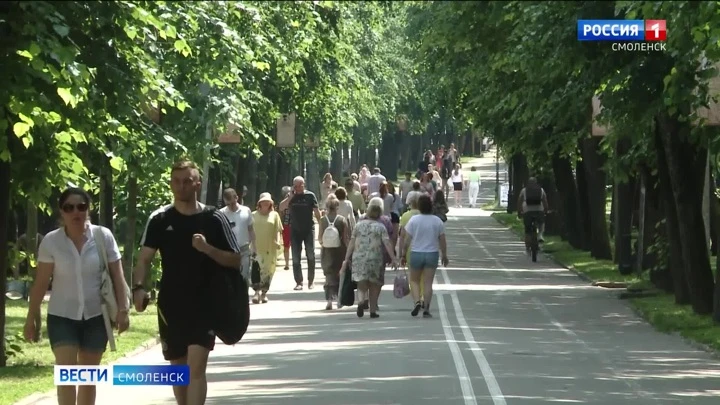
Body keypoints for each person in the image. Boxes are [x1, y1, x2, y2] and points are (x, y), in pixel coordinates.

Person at [132, 160, 243, 405]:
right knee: (178, 370)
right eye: (176, 181)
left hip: (206, 303)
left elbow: (236, 260)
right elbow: (144, 259)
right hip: (171, 305)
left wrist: (207, 249)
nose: (181, 186)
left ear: (197, 183)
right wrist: (139, 287)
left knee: (196, 367)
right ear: (171, 184)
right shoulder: (160, 219)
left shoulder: (214, 218)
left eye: (187, 181)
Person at [24, 187, 129, 405]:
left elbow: (118, 277)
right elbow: (41, 283)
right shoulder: (52, 242)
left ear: (88, 209)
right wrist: (31, 318)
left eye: (81, 207)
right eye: (69, 207)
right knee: (67, 376)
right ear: (61, 212)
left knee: (88, 379)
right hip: (62, 316)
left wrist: (123, 310)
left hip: (95, 317)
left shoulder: (103, 236)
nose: (76, 212)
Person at [341, 202, 399, 318]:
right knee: (375, 284)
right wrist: (393, 258)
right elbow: (387, 243)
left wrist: (346, 258)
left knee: (361, 282)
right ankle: (372, 310)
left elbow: (352, 242)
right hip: (375, 258)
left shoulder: (358, 226)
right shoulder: (380, 227)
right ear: (379, 214)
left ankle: (361, 301)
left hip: (359, 257)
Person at [400, 194, 449, 318]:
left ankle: (417, 301)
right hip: (432, 254)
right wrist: (444, 255)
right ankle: (426, 307)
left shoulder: (414, 220)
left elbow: (407, 239)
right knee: (428, 283)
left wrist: (403, 254)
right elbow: (442, 239)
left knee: (414, 280)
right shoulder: (437, 221)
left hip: (416, 253)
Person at [283, 176, 322, 290]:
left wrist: (322, 228)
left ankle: (311, 281)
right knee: (295, 257)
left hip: (308, 229)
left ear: (304, 185)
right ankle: (299, 282)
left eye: (301, 185)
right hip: (295, 230)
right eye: (296, 186)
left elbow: (317, 212)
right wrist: (290, 196)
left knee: (310, 255)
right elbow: (281, 207)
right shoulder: (291, 197)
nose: (299, 188)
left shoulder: (310, 196)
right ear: (293, 186)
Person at [250, 193, 283, 304]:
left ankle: (264, 293)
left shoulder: (275, 215)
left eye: (268, 201)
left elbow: (278, 230)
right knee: (256, 270)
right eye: (263, 201)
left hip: (270, 248)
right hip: (256, 247)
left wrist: (278, 241)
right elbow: (249, 231)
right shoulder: (253, 215)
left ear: (271, 203)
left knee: (268, 271)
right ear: (259, 203)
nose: (265, 203)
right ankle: (256, 292)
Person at [319, 195, 350, 310]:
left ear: (327, 206)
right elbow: (345, 238)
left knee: (328, 275)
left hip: (327, 251)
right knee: (339, 275)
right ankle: (339, 299)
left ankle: (329, 300)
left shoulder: (323, 220)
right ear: (337, 206)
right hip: (339, 250)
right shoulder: (342, 220)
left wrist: (325, 242)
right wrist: (348, 253)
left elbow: (320, 238)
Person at [219, 188, 255, 279]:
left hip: (244, 249)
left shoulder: (246, 210)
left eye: (232, 203)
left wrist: (254, 247)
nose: (231, 206)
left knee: (244, 276)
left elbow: (250, 229)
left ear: (237, 198)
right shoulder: (221, 213)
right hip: (228, 250)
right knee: (230, 277)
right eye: (228, 204)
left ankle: (243, 293)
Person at [517, 177, 549, 249]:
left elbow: (519, 201)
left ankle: (528, 242)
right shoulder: (541, 190)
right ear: (536, 182)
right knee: (541, 222)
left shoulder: (524, 190)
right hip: (539, 209)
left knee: (527, 228)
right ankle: (540, 235)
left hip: (527, 210)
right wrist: (545, 211)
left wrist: (519, 211)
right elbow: (545, 201)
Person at [278, 186, 292, 270]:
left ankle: (295, 262)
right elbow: (281, 211)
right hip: (286, 226)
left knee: (296, 246)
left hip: (296, 226)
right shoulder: (284, 202)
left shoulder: (297, 200)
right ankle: (287, 264)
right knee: (286, 246)